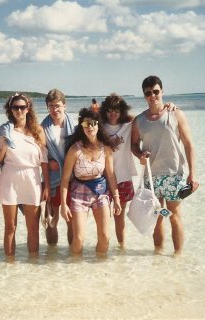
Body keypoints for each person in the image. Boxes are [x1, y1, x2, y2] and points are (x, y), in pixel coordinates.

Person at [131, 75, 199, 256]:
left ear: (162, 92)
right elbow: (133, 145)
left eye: (156, 91)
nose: (152, 96)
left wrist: (193, 174)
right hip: (151, 178)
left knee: (174, 217)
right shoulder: (139, 121)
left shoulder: (175, 113)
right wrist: (140, 155)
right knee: (158, 217)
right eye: (148, 93)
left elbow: (188, 144)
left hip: (173, 175)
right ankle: (158, 257)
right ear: (144, 96)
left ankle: (178, 257)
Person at [0, 93, 50, 260]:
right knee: (10, 227)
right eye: (15, 107)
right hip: (10, 178)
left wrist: (46, 184)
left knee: (33, 228)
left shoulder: (37, 130)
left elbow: (44, 160)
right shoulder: (3, 130)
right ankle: (9, 264)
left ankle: (34, 264)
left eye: (22, 107)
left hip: (32, 180)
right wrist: (4, 143)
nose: (19, 110)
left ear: (28, 109)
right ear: (10, 110)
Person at [60, 108, 121, 256]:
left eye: (93, 123)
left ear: (98, 125)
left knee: (105, 237)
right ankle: (75, 270)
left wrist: (117, 199)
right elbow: (65, 180)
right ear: (82, 126)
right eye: (86, 124)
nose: (90, 127)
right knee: (79, 239)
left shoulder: (105, 149)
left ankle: (99, 270)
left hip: (101, 192)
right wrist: (63, 205)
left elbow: (111, 176)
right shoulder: (75, 149)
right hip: (79, 194)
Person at [99, 93, 137, 248]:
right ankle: (104, 246)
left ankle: (121, 248)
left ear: (122, 110)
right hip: (103, 179)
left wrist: (169, 106)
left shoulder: (129, 126)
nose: (112, 112)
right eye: (109, 109)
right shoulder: (99, 127)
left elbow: (146, 116)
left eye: (116, 109)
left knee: (119, 218)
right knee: (103, 218)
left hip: (123, 177)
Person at [41, 89, 76, 246]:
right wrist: (49, 160)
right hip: (53, 177)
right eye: (51, 106)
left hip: (72, 178)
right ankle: (51, 257)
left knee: (71, 220)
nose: (55, 110)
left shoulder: (74, 125)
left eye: (57, 106)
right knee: (51, 219)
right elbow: (37, 153)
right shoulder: (42, 128)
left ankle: (72, 258)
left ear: (65, 105)